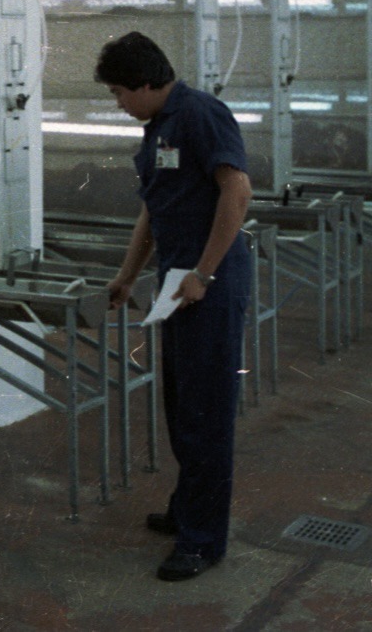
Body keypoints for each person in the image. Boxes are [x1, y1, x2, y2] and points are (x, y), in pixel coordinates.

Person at [96, 30, 252, 581]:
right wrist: (127, 274)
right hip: (178, 281)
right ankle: (190, 510)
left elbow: (237, 192)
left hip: (207, 281)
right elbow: (154, 208)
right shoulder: (159, 125)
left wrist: (204, 274)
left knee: (206, 411)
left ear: (144, 83)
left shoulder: (200, 114)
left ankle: (203, 541)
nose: (118, 103)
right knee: (183, 403)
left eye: (119, 92)